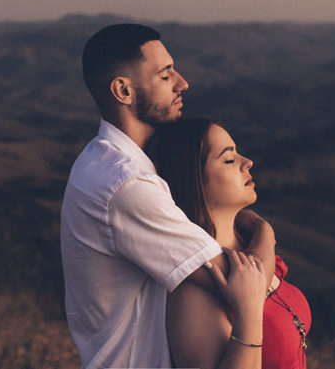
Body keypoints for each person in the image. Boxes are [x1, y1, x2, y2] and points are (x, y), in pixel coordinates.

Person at [61, 23, 276, 369]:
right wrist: (265, 232)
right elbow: (244, 283)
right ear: (123, 90)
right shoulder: (127, 185)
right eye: (165, 76)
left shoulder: (104, 161)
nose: (182, 83)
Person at [147, 117, 312, 369]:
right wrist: (248, 310)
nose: (247, 162)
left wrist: (264, 232)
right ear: (194, 180)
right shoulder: (194, 292)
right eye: (229, 160)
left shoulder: (254, 247)